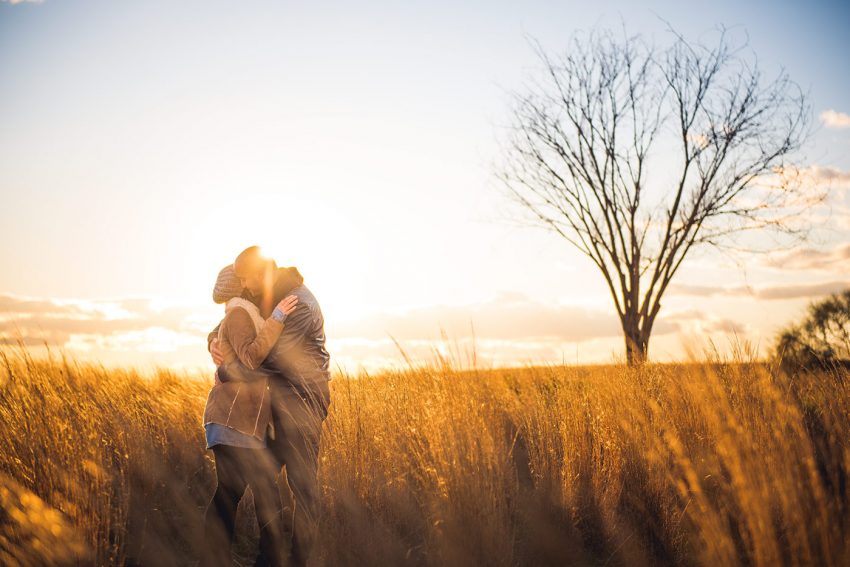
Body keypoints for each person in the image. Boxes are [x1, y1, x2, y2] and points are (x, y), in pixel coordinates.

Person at [208, 246, 332, 567]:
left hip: (301, 407)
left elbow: (270, 359)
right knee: (263, 488)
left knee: (301, 489)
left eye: (246, 279)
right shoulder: (270, 297)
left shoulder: (299, 305)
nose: (244, 287)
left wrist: (226, 371)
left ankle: (298, 561)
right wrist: (213, 339)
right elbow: (239, 323)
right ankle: (267, 560)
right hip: (271, 407)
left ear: (262, 274)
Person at [200, 264, 299, 567]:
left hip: (242, 423)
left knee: (240, 495)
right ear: (242, 288)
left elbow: (228, 332)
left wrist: (213, 338)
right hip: (234, 421)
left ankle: (254, 559)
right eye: (246, 281)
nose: (254, 284)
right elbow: (253, 358)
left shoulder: (244, 314)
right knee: (235, 496)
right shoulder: (242, 314)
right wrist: (279, 317)